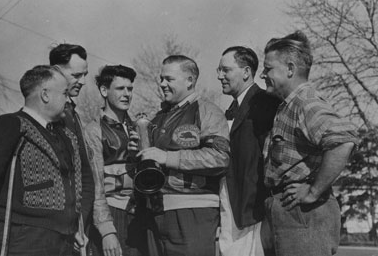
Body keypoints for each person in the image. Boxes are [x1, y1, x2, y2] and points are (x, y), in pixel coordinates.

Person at [260, 31, 359, 256]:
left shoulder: (305, 102)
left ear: (290, 69)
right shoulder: (288, 105)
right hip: (289, 211)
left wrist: (313, 192)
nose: (263, 74)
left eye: (268, 68)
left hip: (305, 214)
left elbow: (343, 141)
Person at [0, 65, 93, 256]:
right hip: (24, 239)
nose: (68, 99)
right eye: (64, 93)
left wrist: (74, 226)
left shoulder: (65, 135)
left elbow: (80, 182)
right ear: (45, 95)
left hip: (64, 240)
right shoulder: (10, 125)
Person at [132, 55, 230, 256]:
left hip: (192, 214)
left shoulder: (208, 111)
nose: (162, 84)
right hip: (156, 213)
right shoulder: (158, 118)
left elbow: (220, 157)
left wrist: (168, 157)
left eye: (169, 79)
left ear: (190, 80)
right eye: (161, 79)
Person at [217, 46, 280, 256]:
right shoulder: (230, 109)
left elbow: (273, 158)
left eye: (225, 70)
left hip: (253, 211)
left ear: (246, 72)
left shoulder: (266, 103)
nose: (220, 76)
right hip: (231, 205)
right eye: (219, 70)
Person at [84, 65, 147, 256]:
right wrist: (106, 230)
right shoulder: (94, 131)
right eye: (120, 89)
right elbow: (95, 184)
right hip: (114, 214)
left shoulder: (140, 127)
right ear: (104, 90)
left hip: (142, 216)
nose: (127, 94)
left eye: (130, 89)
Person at [49, 43, 94, 231]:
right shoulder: (49, 114)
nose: (83, 81)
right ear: (57, 72)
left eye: (85, 75)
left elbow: (83, 171)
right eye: (76, 75)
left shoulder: (72, 113)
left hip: (77, 222)